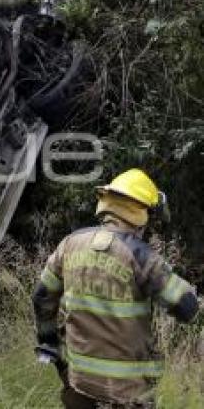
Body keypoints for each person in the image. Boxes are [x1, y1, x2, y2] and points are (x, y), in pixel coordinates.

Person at [33, 168, 199, 408]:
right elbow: (188, 309)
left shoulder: (69, 244)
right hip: (127, 394)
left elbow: (41, 299)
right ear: (142, 214)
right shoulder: (141, 256)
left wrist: (50, 343)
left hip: (79, 385)